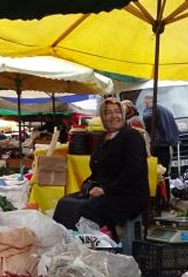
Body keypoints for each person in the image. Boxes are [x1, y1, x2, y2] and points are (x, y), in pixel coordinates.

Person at [53, 97, 149, 232]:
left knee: (85, 208)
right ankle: (66, 244)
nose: (114, 116)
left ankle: (86, 246)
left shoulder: (132, 136)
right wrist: (88, 186)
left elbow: (134, 171)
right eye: (108, 112)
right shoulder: (102, 138)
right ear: (103, 116)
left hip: (128, 195)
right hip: (106, 191)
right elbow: (97, 170)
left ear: (123, 114)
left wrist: (105, 190)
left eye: (117, 111)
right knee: (65, 202)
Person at [141, 94, 179, 171]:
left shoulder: (152, 107)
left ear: (147, 101)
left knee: (157, 171)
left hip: (157, 144)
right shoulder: (166, 109)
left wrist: (147, 130)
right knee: (165, 170)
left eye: (145, 103)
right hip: (166, 143)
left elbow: (147, 118)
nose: (144, 105)